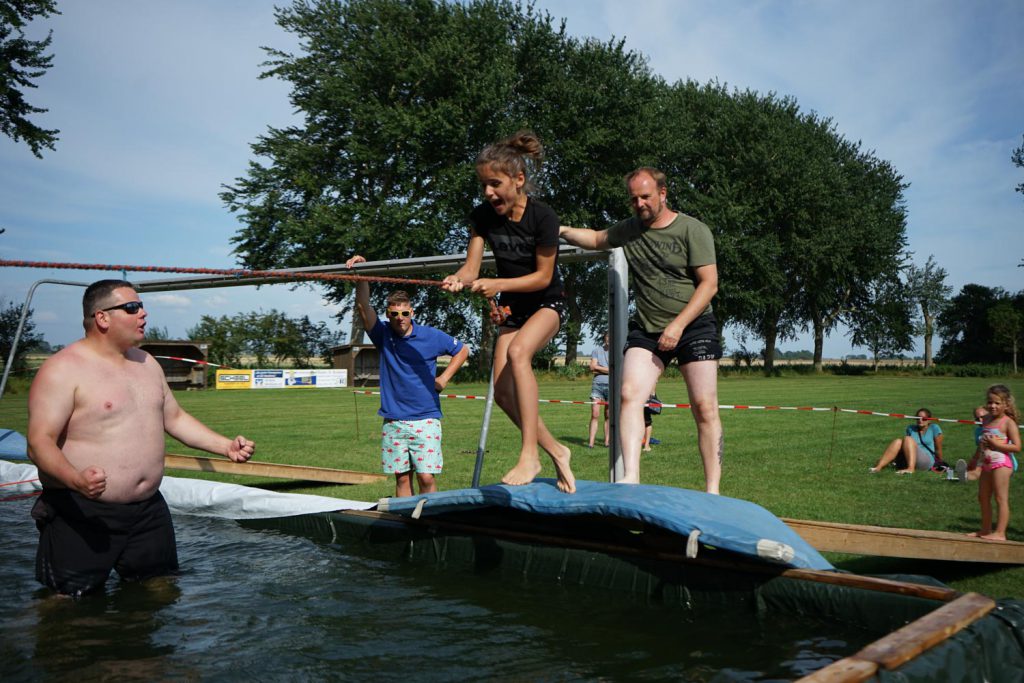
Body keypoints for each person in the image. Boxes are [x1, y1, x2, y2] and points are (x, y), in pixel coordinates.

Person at [26, 280, 255, 597]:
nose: (143, 313)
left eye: (142, 306)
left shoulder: (147, 363)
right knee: (67, 605)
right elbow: (39, 442)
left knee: (160, 592)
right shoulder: (62, 370)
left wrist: (225, 446)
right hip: (82, 509)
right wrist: (76, 480)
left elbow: (174, 418)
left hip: (148, 511)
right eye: (132, 308)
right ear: (102, 317)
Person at [559, 167, 723, 492]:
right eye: (633, 199)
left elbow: (709, 284)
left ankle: (713, 490)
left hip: (694, 325)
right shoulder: (629, 230)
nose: (639, 204)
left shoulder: (693, 229)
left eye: (645, 197)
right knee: (629, 394)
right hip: (647, 328)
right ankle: (631, 478)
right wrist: (559, 229)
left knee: (704, 406)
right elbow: (595, 238)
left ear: (663, 193)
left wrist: (677, 325)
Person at [442, 130, 576, 494]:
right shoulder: (482, 217)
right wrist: (458, 278)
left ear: (518, 179)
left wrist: (497, 283)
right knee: (502, 394)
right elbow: (471, 269)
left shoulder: (543, 217)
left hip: (547, 303)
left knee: (519, 353)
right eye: (483, 185)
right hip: (514, 309)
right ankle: (557, 451)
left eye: (495, 184)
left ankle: (530, 454)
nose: (488, 193)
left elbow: (543, 277)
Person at [346, 256, 470, 498]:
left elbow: (462, 350)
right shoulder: (383, 335)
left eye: (404, 313)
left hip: (426, 419)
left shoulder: (430, 336)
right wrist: (360, 274)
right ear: (388, 315)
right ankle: (405, 517)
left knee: (426, 476)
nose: (400, 318)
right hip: (394, 419)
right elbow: (363, 306)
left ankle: (428, 515)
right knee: (402, 477)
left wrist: (443, 379)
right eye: (394, 314)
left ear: (412, 312)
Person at [967, 384, 1020, 541]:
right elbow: (983, 443)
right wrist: (975, 459)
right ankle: (985, 529)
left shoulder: (1008, 422)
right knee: (983, 497)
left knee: (1000, 498)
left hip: (1001, 464)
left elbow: (1017, 447)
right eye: (990, 402)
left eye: (997, 403)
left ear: (1006, 404)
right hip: (986, 463)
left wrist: (996, 444)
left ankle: (1000, 533)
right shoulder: (986, 419)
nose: (992, 406)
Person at [869, 408, 943, 474]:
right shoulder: (910, 428)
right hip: (909, 458)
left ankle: (911, 469)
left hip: (926, 460)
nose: (920, 420)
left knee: (907, 439)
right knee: (898, 441)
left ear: (929, 420)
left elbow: (938, 449)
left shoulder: (934, 428)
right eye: (918, 418)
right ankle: (878, 467)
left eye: (924, 419)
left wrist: (940, 463)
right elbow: (906, 446)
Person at [588, 334, 610, 449]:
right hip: (597, 385)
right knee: (595, 414)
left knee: (608, 415)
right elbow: (592, 367)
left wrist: (599, 368)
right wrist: (609, 370)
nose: (609, 339)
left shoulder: (618, 351)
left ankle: (607, 442)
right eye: (607, 337)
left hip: (612, 386)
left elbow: (618, 369)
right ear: (604, 338)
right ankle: (591, 443)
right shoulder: (596, 351)